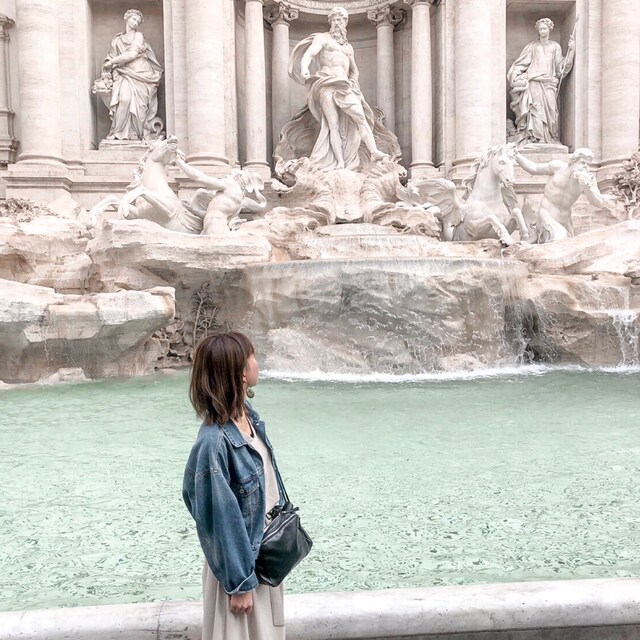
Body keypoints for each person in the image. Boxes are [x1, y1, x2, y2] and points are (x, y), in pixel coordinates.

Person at [183, 332, 285, 640]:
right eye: (252, 357)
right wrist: (239, 583)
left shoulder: (249, 418)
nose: (257, 363)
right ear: (239, 372)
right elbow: (216, 518)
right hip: (238, 569)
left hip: (262, 557)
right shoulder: (214, 442)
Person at [289, 6, 388, 171]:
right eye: (334, 19)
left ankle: (373, 152)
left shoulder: (348, 48)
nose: (337, 22)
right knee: (332, 124)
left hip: (345, 86)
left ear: (345, 23)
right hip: (326, 83)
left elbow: (354, 70)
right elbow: (309, 54)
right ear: (330, 22)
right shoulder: (322, 38)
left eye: (340, 20)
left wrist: (354, 81)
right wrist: (305, 68)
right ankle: (340, 162)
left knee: (360, 117)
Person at [516, 148, 615, 242]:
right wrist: (516, 155)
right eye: (582, 163)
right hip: (546, 215)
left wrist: (587, 188)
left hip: (565, 220)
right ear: (572, 162)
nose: (585, 167)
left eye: (588, 164)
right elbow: (534, 168)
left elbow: (598, 202)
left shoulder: (588, 180)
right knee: (560, 239)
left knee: (569, 245)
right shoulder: (558, 167)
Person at [507, 18, 575, 144]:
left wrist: (571, 51)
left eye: (544, 28)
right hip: (534, 81)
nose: (542, 31)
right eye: (540, 29)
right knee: (536, 110)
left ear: (549, 29)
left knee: (551, 111)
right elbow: (520, 63)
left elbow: (560, 68)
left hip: (549, 83)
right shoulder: (532, 46)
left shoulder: (555, 46)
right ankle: (537, 138)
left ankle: (550, 137)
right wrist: (515, 75)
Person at [102, 9, 163, 141]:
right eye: (134, 19)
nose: (135, 23)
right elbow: (112, 55)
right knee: (124, 100)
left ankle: (135, 133)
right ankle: (118, 132)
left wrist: (112, 62)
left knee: (139, 106)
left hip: (140, 73)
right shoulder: (118, 40)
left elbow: (132, 54)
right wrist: (108, 63)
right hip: (124, 73)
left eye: (138, 22)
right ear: (127, 18)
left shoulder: (138, 36)